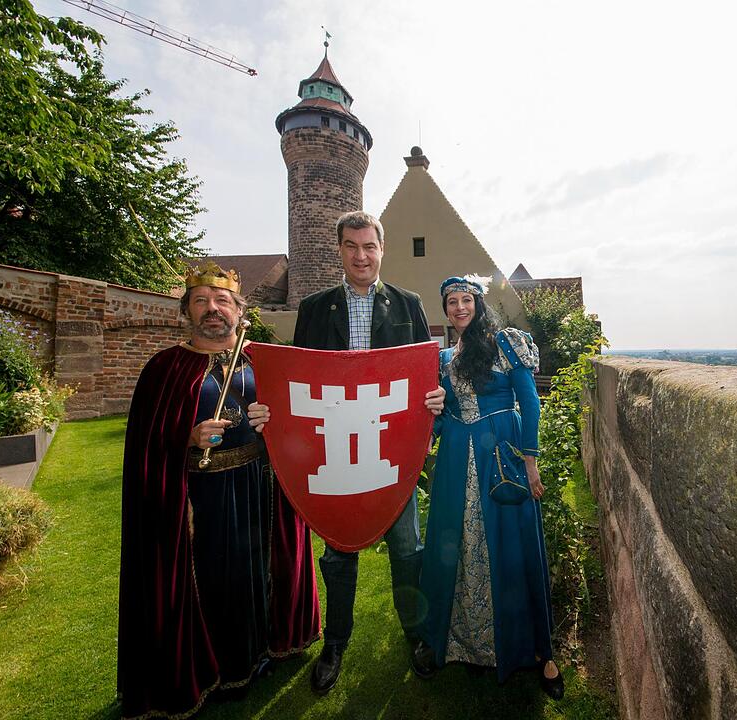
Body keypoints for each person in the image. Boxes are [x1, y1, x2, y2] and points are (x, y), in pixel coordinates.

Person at [118, 262, 321, 719]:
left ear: (238, 309)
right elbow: (147, 444)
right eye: (201, 301)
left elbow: (296, 417)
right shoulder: (165, 368)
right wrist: (187, 437)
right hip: (199, 498)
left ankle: (261, 652)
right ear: (186, 311)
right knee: (213, 581)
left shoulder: (260, 359)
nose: (213, 310)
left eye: (222, 301)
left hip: (259, 487)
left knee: (258, 571)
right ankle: (214, 668)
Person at [293, 210, 445, 694]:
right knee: (339, 550)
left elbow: (425, 372)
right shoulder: (315, 308)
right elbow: (301, 378)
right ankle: (335, 642)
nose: (361, 256)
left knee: (406, 547)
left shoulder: (408, 304)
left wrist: (435, 398)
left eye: (370, 246)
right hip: (337, 446)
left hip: (391, 446)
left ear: (382, 249)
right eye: (352, 246)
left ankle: (415, 633)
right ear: (340, 250)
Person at [417, 275, 564, 699]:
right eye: (452, 302)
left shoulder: (506, 342)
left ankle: (540, 652)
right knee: (454, 542)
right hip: (455, 456)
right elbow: (444, 417)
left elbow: (530, 400)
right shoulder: (444, 357)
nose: (459, 308)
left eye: (466, 300)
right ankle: (465, 642)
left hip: (502, 452)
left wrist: (530, 462)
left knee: (513, 547)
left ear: (479, 304)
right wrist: (430, 423)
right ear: (445, 310)